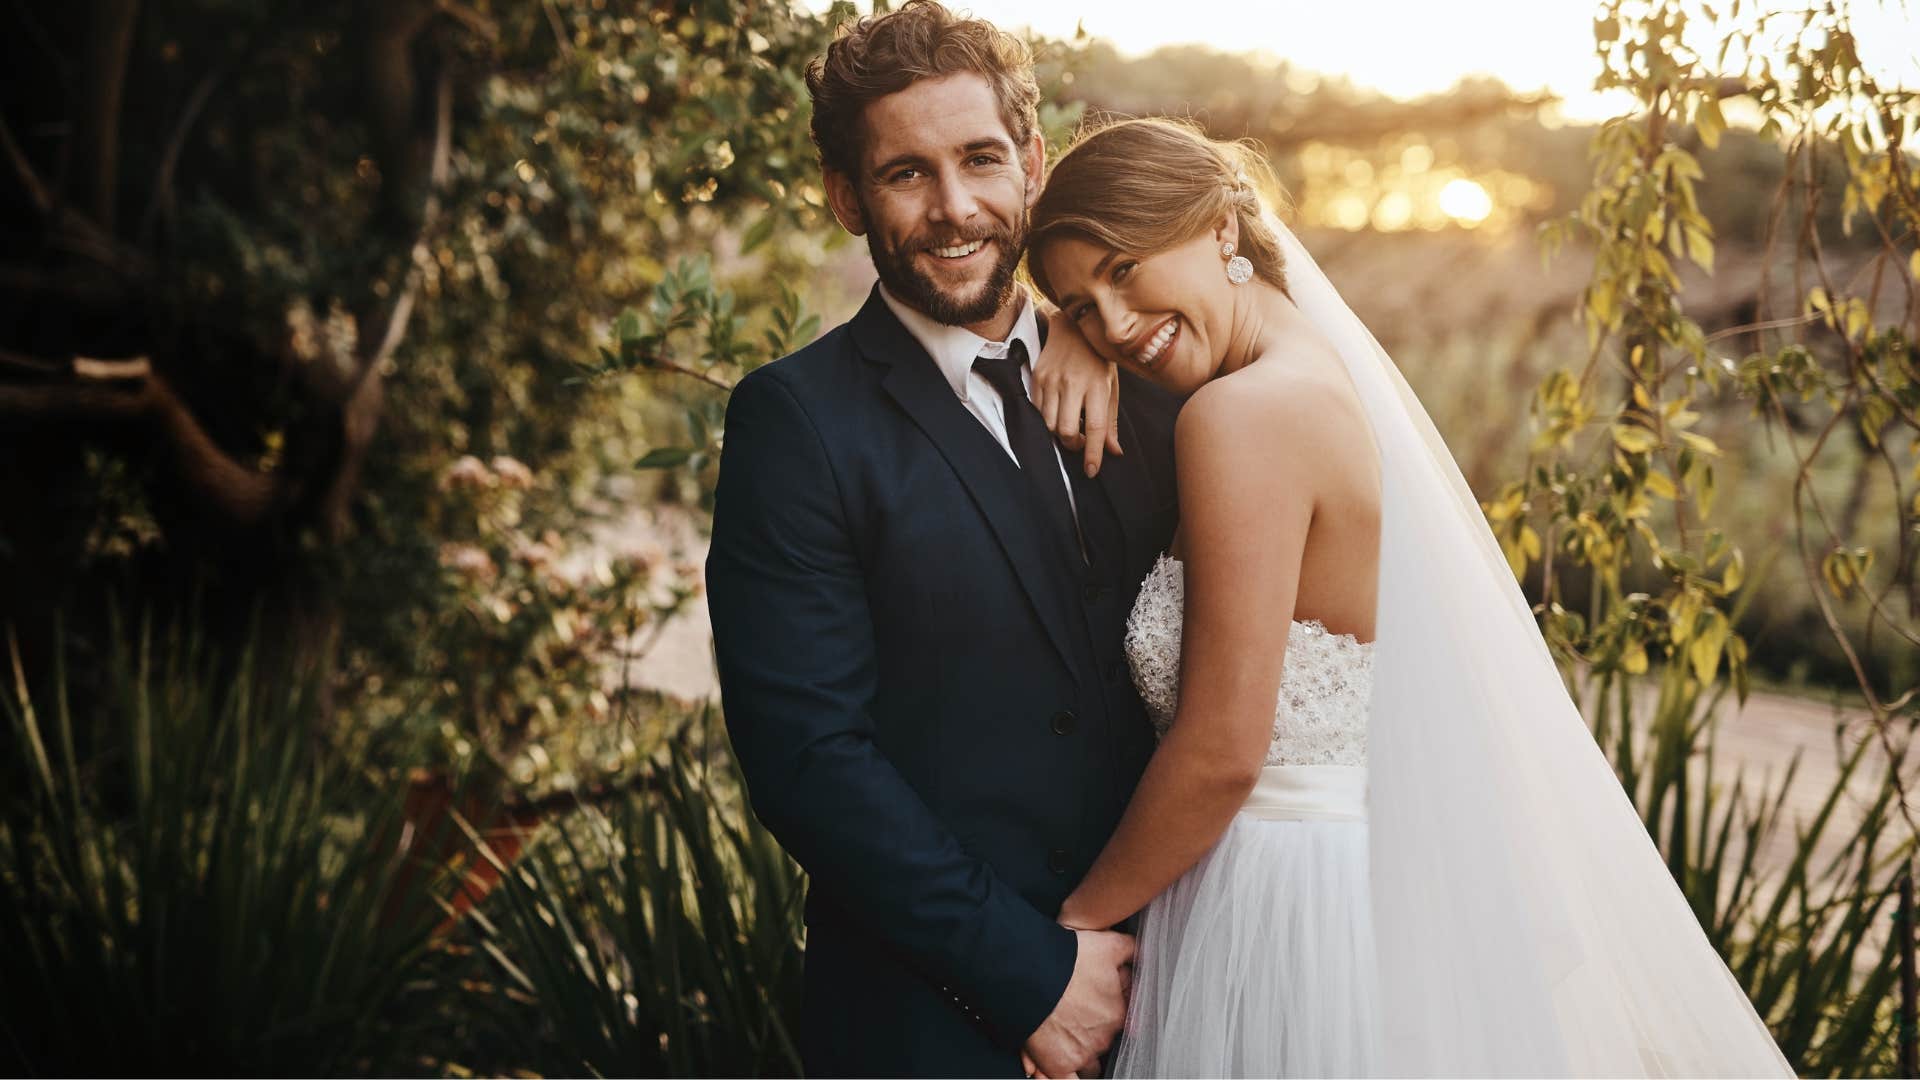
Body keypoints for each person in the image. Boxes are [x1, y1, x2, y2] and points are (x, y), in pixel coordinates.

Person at [1023, 117, 1795, 1077]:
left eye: (1125, 269)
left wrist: (1067, 941)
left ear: (1222, 228)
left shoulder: (1240, 417)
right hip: (1349, 887)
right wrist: (1063, 329)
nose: (1115, 323)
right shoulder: (1318, 376)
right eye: (1080, 304)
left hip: (1265, 900)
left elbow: (1223, 750)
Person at [704, 5, 1180, 1076]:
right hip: (933, 1025)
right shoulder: (797, 423)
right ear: (846, 197)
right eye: (906, 174)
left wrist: (1088, 327)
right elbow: (808, 761)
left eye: (980, 159)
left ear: (1033, 163)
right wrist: (1029, 979)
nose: (955, 207)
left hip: (1188, 992)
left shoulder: (1151, 383)